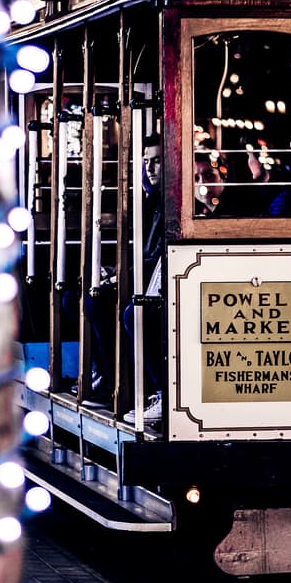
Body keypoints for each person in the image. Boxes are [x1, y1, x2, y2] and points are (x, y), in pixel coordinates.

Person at [124, 139, 165, 424]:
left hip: (164, 284)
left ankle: (163, 392)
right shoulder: (150, 199)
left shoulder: (170, 200)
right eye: (145, 161)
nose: (150, 168)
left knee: (135, 315)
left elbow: (158, 253)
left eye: (157, 160)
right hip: (150, 276)